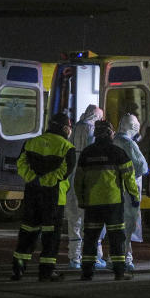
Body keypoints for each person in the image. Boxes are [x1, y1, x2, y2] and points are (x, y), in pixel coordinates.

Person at [10, 113, 76, 282]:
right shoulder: (67, 147)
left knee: (27, 231)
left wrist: (34, 179)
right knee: (51, 235)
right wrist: (47, 181)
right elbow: (65, 171)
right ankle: (46, 272)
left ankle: (18, 268)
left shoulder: (31, 142)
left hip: (32, 193)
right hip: (54, 197)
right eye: (69, 127)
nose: (70, 130)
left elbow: (20, 164)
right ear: (63, 128)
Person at [74, 120, 140, 281]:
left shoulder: (86, 153)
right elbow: (129, 177)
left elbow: (78, 180)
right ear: (110, 133)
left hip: (92, 203)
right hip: (113, 203)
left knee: (90, 238)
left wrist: (81, 200)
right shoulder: (117, 152)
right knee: (117, 238)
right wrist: (134, 196)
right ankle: (119, 272)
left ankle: (87, 272)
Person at [66, 104, 107, 270]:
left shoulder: (75, 128)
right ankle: (95, 257)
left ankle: (74, 257)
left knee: (73, 221)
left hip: (72, 179)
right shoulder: (93, 131)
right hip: (87, 179)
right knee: (91, 221)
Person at [112, 113, 148, 271]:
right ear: (134, 127)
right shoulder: (129, 144)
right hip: (129, 190)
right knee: (128, 225)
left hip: (114, 190)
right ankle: (125, 258)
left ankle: (114, 256)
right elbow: (142, 167)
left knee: (116, 225)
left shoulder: (113, 141)